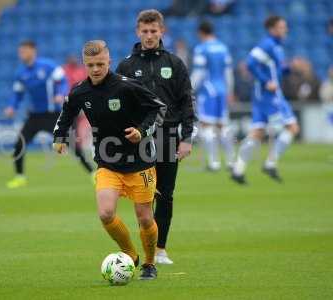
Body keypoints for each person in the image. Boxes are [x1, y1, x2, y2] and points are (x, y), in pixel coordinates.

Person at [53, 40, 166, 280]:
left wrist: (142, 131)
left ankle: (149, 263)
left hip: (141, 162)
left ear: (109, 62)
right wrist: (60, 136)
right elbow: (67, 112)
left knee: (145, 218)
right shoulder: (80, 91)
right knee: (105, 214)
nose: (96, 69)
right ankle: (130, 255)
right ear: (85, 64)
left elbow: (157, 108)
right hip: (108, 162)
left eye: (100, 64)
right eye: (91, 65)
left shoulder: (127, 87)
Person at [116, 9, 195, 265]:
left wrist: (186, 138)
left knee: (165, 193)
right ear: (137, 32)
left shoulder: (174, 64)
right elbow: (117, 104)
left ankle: (161, 249)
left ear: (162, 31)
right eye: (145, 31)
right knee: (144, 195)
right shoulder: (126, 66)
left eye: (154, 31)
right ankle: (147, 248)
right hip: (138, 139)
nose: (149, 36)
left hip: (168, 136)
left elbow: (186, 102)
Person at [4, 40, 93, 189]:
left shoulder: (49, 66)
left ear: (33, 51)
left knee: (73, 146)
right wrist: (12, 107)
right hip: (34, 117)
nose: (21, 54)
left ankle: (92, 173)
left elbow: (63, 82)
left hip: (54, 115)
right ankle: (20, 177)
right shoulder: (21, 73)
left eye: (24, 51)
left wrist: (60, 94)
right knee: (19, 144)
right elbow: (17, 94)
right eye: (20, 52)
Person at [231, 16, 300, 184]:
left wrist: (290, 67)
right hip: (269, 95)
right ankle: (270, 163)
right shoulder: (267, 44)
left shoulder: (276, 46)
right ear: (272, 29)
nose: (285, 30)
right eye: (282, 27)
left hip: (263, 95)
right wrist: (266, 81)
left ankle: (238, 169)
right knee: (292, 127)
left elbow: (277, 69)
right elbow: (250, 63)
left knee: (258, 132)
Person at [191, 21, 235, 171]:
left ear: (200, 32)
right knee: (223, 126)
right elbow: (228, 72)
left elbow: (199, 72)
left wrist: (189, 88)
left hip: (208, 91)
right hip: (222, 90)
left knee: (206, 125)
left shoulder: (201, 49)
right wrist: (230, 91)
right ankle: (231, 161)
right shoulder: (223, 48)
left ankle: (213, 163)